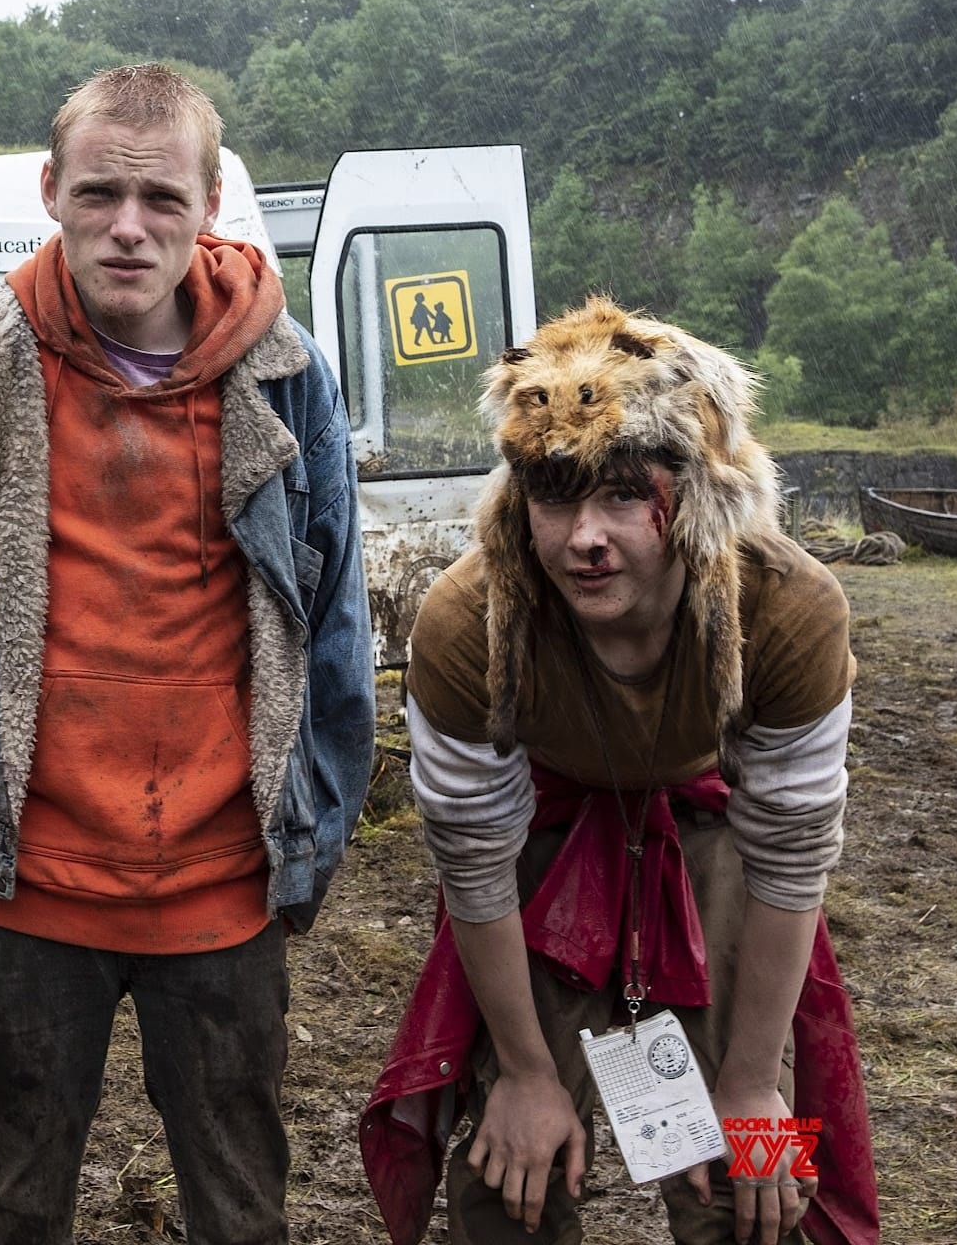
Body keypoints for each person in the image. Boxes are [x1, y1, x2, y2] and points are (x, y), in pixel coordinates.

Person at [0, 63, 377, 1243]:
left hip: (222, 888)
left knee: (243, 1210)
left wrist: (312, 833)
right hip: (24, 890)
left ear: (210, 205)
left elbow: (336, 628)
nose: (128, 226)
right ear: (49, 190)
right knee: (12, 1208)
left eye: (160, 198)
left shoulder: (288, 376)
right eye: (98, 193)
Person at [360, 298, 878, 1245]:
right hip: (543, 835)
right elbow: (474, 862)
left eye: (624, 497)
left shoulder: (790, 607)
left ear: (693, 499)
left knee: (756, 1179)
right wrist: (524, 1070)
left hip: (712, 827)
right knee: (511, 1175)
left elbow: (791, 858)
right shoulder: (464, 620)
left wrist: (754, 1080)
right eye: (557, 497)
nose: (584, 539)